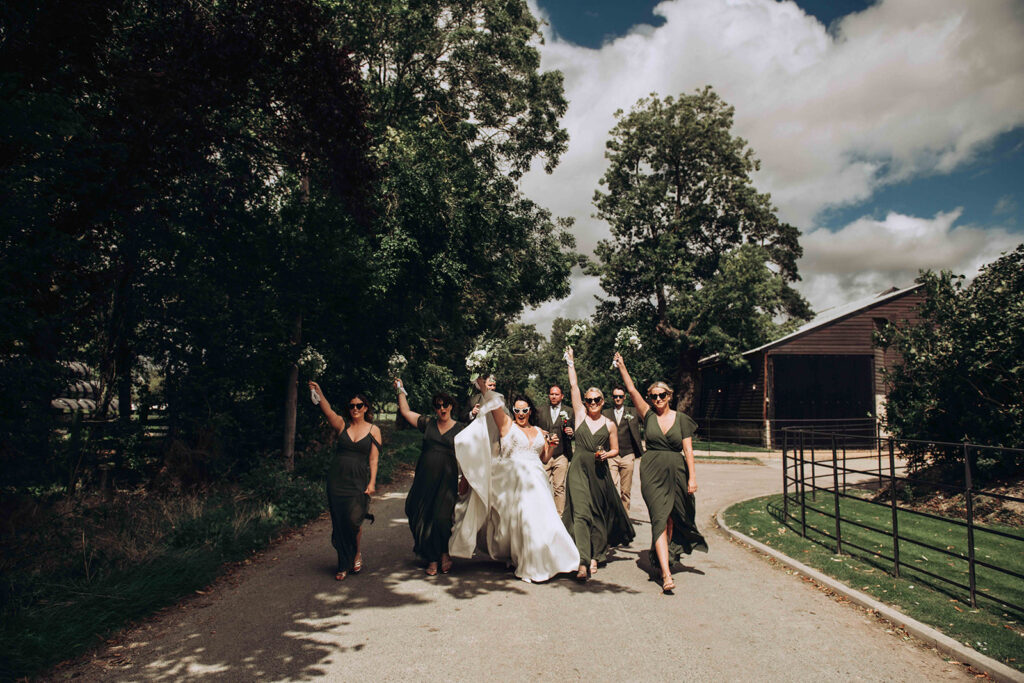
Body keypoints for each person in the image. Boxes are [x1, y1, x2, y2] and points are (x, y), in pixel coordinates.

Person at [450, 376, 579, 582]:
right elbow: (492, 402)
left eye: (524, 410)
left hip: (537, 480)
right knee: (522, 522)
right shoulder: (506, 426)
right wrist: (482, 381)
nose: (520, 414)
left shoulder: (538, 431)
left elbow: (544, 457)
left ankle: (560, 559)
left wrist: (552, 445)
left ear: (530, 411)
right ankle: (525, 560)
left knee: (547, 520)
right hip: (514, 482)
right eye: (517, 410)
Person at [613, 352, 708, 593]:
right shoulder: (648, 415)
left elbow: (688, 451)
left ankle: (665, 553)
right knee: (658, 518)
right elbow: (632, 390)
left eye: (662, 395)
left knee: (672, 517)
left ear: (670, 396)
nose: (658, 399)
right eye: (654, 396)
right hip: (652, 472)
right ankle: (666, 574)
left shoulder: (682, 419)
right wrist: (622, 366)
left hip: (676, 472)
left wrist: (693, 478)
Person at [561, 348, 635, 581]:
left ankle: (597, 554)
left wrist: (607, 455)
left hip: (599, 472)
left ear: (603, 402)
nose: (592, 402)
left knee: (598, 515)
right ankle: (583, 561)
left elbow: (616, 449)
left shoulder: (610, 424)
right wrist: (571, 363)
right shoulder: (580, 415)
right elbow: (574, 387)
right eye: (589, 400)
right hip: (578, 470)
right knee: (581, 513)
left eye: (597, 400)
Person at [309, 381, 380, 581]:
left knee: (354, 520)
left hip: (358, 481)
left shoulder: (374, 430)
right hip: (337, 480)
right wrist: (319, 391)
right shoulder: (342, 424)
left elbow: (373, 459)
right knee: (340, 522)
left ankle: (356, 553)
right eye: (352, 406)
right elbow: (327, 410)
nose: (355, 409)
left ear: (366, 408)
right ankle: (343, 563)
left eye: (359, 405)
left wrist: (372, 482)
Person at [394, 379, 465, 576]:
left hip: (447, 480)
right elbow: (406, 412)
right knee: (421, 515)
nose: (442, 409)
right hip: (424, 479)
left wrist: (466, 479)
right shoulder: (427, 424)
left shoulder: (461, 429)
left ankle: (443, 552)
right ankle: (432, 557)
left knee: (442, 518)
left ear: (451, 406)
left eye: (445, 405)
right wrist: (400, 390)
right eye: (438, 405)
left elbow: (470, 455)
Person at [534, 383, 574, 514]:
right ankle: (543, 514)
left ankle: (559, 516)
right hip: (544, 455)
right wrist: (540, 431)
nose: (554, 396)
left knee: (559, 487)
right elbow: (532, 428)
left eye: (557, 394)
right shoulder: (540, 410)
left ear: (562, 396)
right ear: (549, 395)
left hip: (561, 455)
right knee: (542, 486)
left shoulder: (569, 411)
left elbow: (576, 430)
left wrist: (571, 432)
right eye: (552, 394)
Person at [602, 386, 643, 512]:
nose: (618, 399)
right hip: (611, 455)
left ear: (624, 397)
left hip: (627, 454)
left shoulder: (633, 412)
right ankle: (612, 515)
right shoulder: (606, 413)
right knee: (611, 487)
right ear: (612, 398)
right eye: (615, 396)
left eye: (620, 396)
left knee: (625, 490)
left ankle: (625, 516)